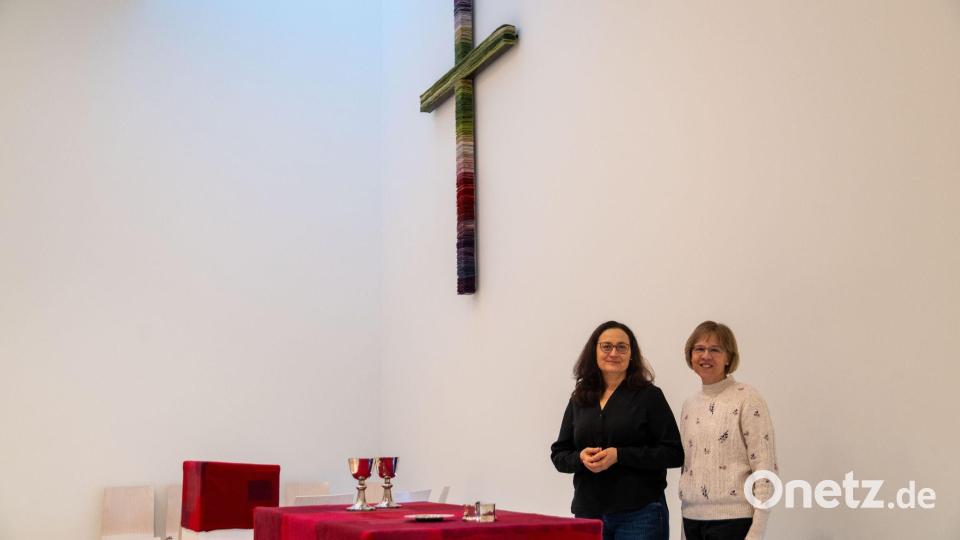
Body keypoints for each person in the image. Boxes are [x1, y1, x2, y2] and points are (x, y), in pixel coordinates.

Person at [551, 320, 684, 540]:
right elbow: (559, 454)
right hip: (589, 514)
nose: (614, 353)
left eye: (622, 347)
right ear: (594, 351)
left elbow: (673, 453)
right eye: (606, 346)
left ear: (631, 354)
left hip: (640, 514)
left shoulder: (649, 396)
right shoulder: (580, 398)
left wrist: (619, 455)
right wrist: (580, 458)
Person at [678, 321, 778, 540]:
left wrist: (757, 531)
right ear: (690, 355)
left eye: (715, 350)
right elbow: (689, 467)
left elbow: (765, 466)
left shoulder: (747, 398)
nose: (706, 356)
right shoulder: (689, 405)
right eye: (699, 349)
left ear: (728, 358)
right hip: (692, 519)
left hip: (734, 522)